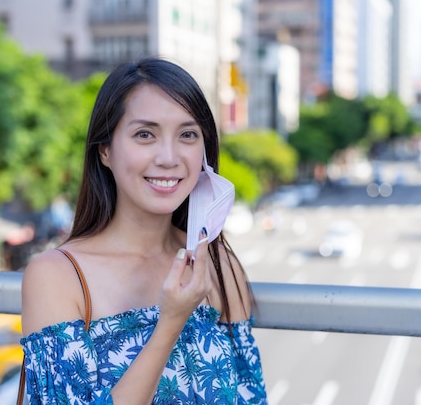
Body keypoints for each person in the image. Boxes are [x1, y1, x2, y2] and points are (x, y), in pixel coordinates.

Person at [20, 56, 267, 404]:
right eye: (145, 134)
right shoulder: (56, 276)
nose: (169, 157)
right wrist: (171, 321)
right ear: (105, 150)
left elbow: (250, 395)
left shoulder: (216, 262)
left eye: (187, 135)